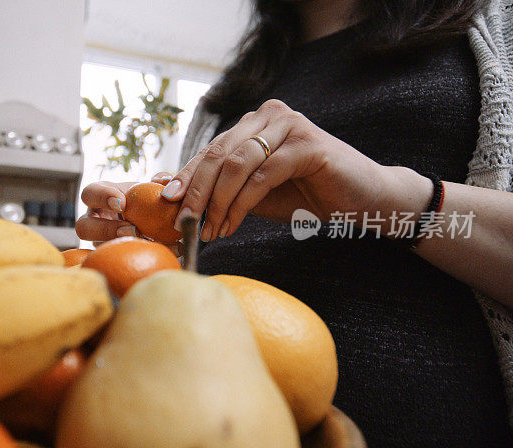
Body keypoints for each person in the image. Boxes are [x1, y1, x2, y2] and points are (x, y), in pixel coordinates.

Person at [76, 0, 513, 446]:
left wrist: (387, 196)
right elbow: (209, 246)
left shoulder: (499, 25)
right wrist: (158, 253)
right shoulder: (235, 86)